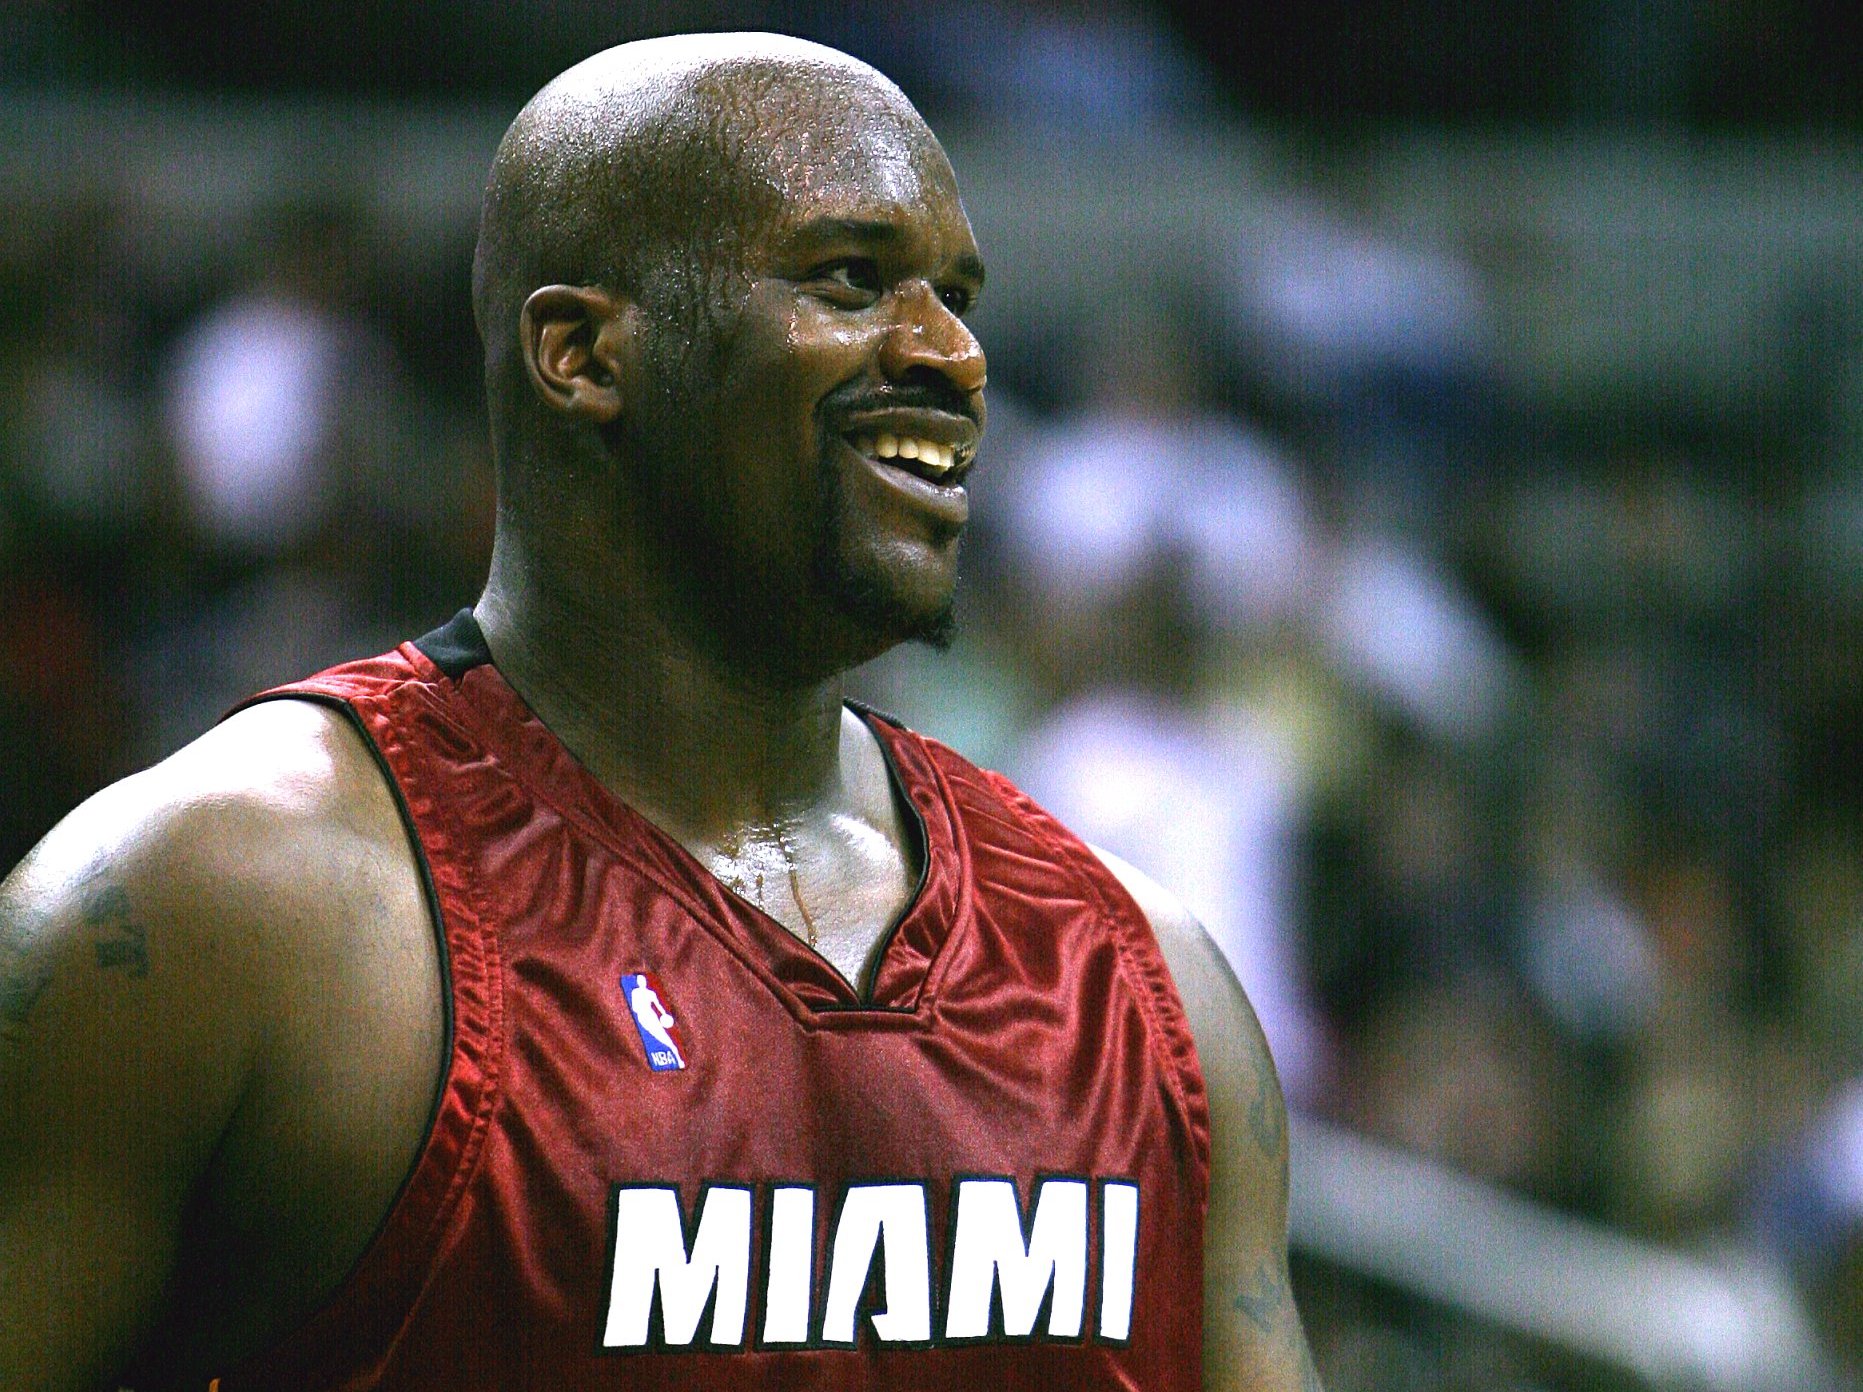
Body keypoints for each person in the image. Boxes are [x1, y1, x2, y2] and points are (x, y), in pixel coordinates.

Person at [0, 33, 1321, 1390]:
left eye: (959, 298)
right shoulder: (221, 910)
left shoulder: (1142, 978)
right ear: (581, 353)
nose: (953, 356)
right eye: (853, 280)